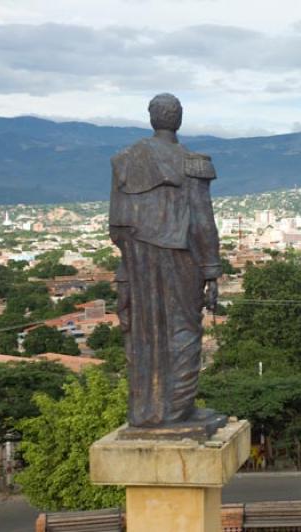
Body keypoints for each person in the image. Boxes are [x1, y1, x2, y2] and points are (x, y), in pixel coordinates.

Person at [110, 93, 223, 435]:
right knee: (183, 329)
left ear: (150, 118)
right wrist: (211, 270)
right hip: (180, 256)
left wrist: (130, 259)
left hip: (138, 257)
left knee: (144, 331)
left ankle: (147, 410)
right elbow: (202, 220)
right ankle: (176, 410)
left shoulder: (126, 161)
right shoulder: (192, 162)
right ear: (180, 118)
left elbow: (117, 224)